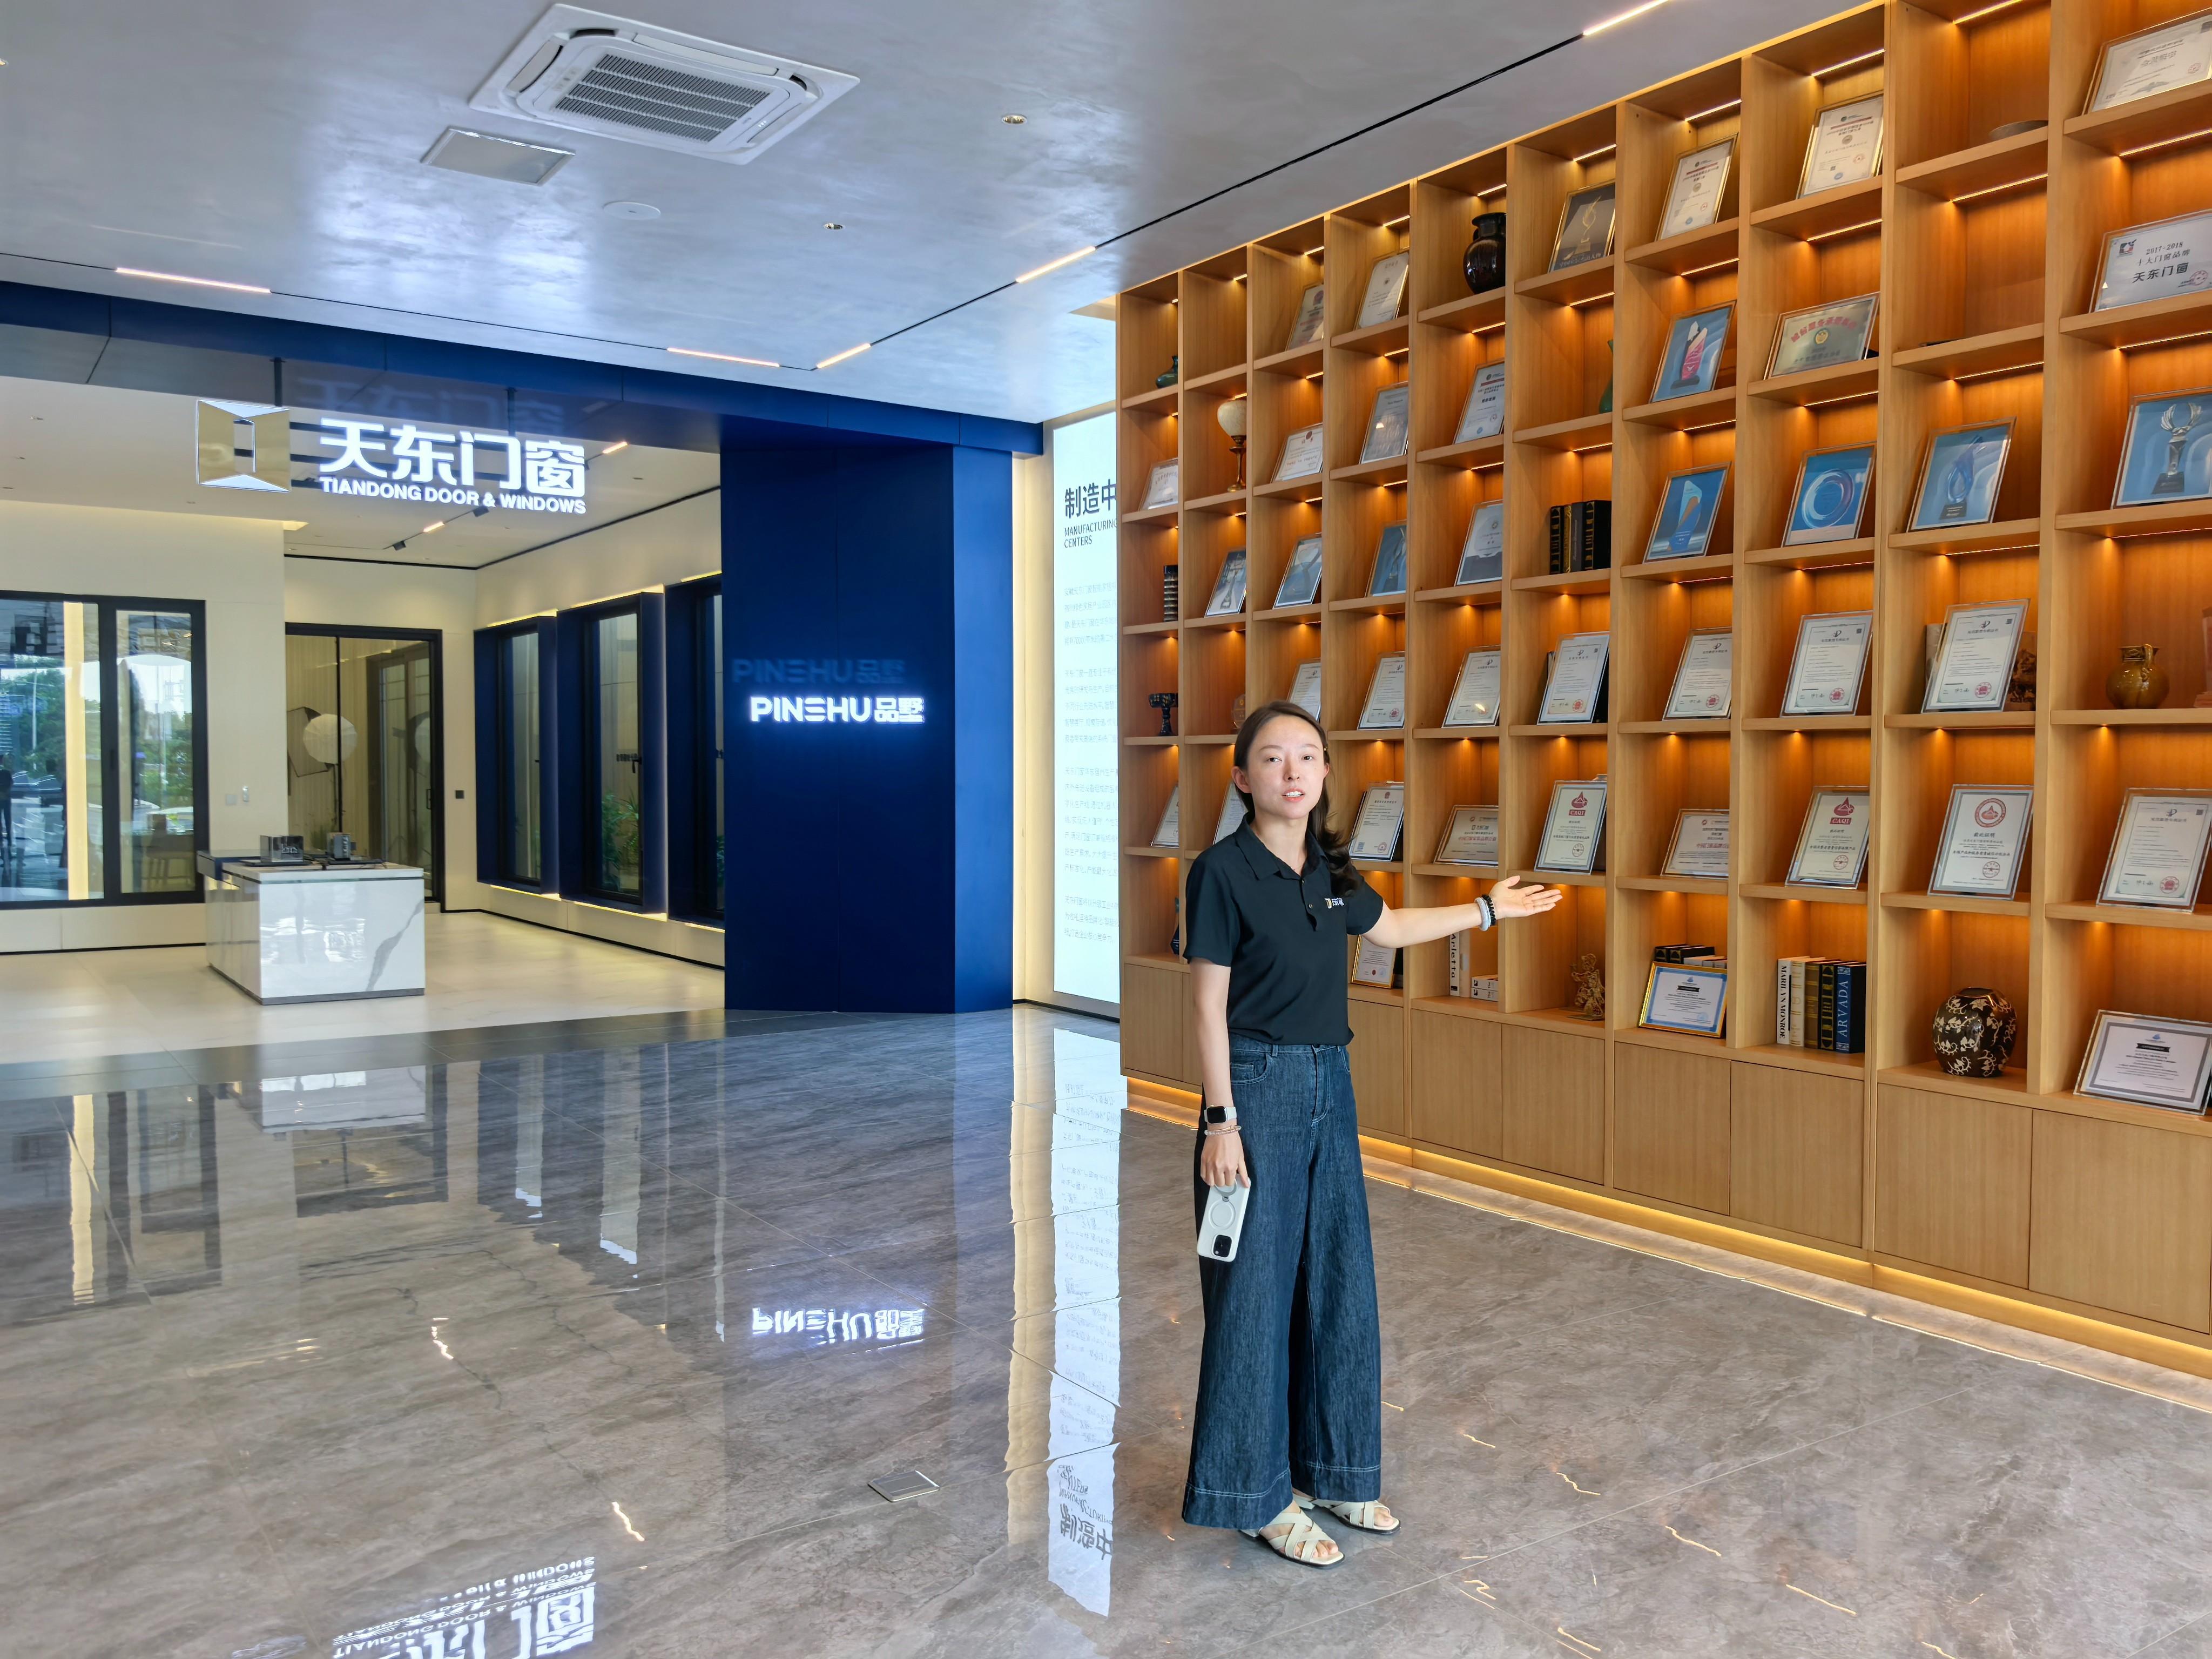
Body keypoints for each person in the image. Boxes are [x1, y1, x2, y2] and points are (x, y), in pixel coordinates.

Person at [1178, 700, 1562, 1567]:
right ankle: (1257, 1496)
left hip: (1331, 1082)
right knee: (1254, 1296)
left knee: (1338, 1281)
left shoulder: (1330, 868)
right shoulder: (1222, 872)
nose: (1292, 772)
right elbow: (1205, 1005)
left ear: (1324, 774)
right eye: (1272, 758)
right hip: (1256, 1086)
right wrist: (1220, 1119)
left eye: (1307, 757)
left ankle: (1334, 1469)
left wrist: (1487, 911)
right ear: (1242, 778)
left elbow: (1390, 929)